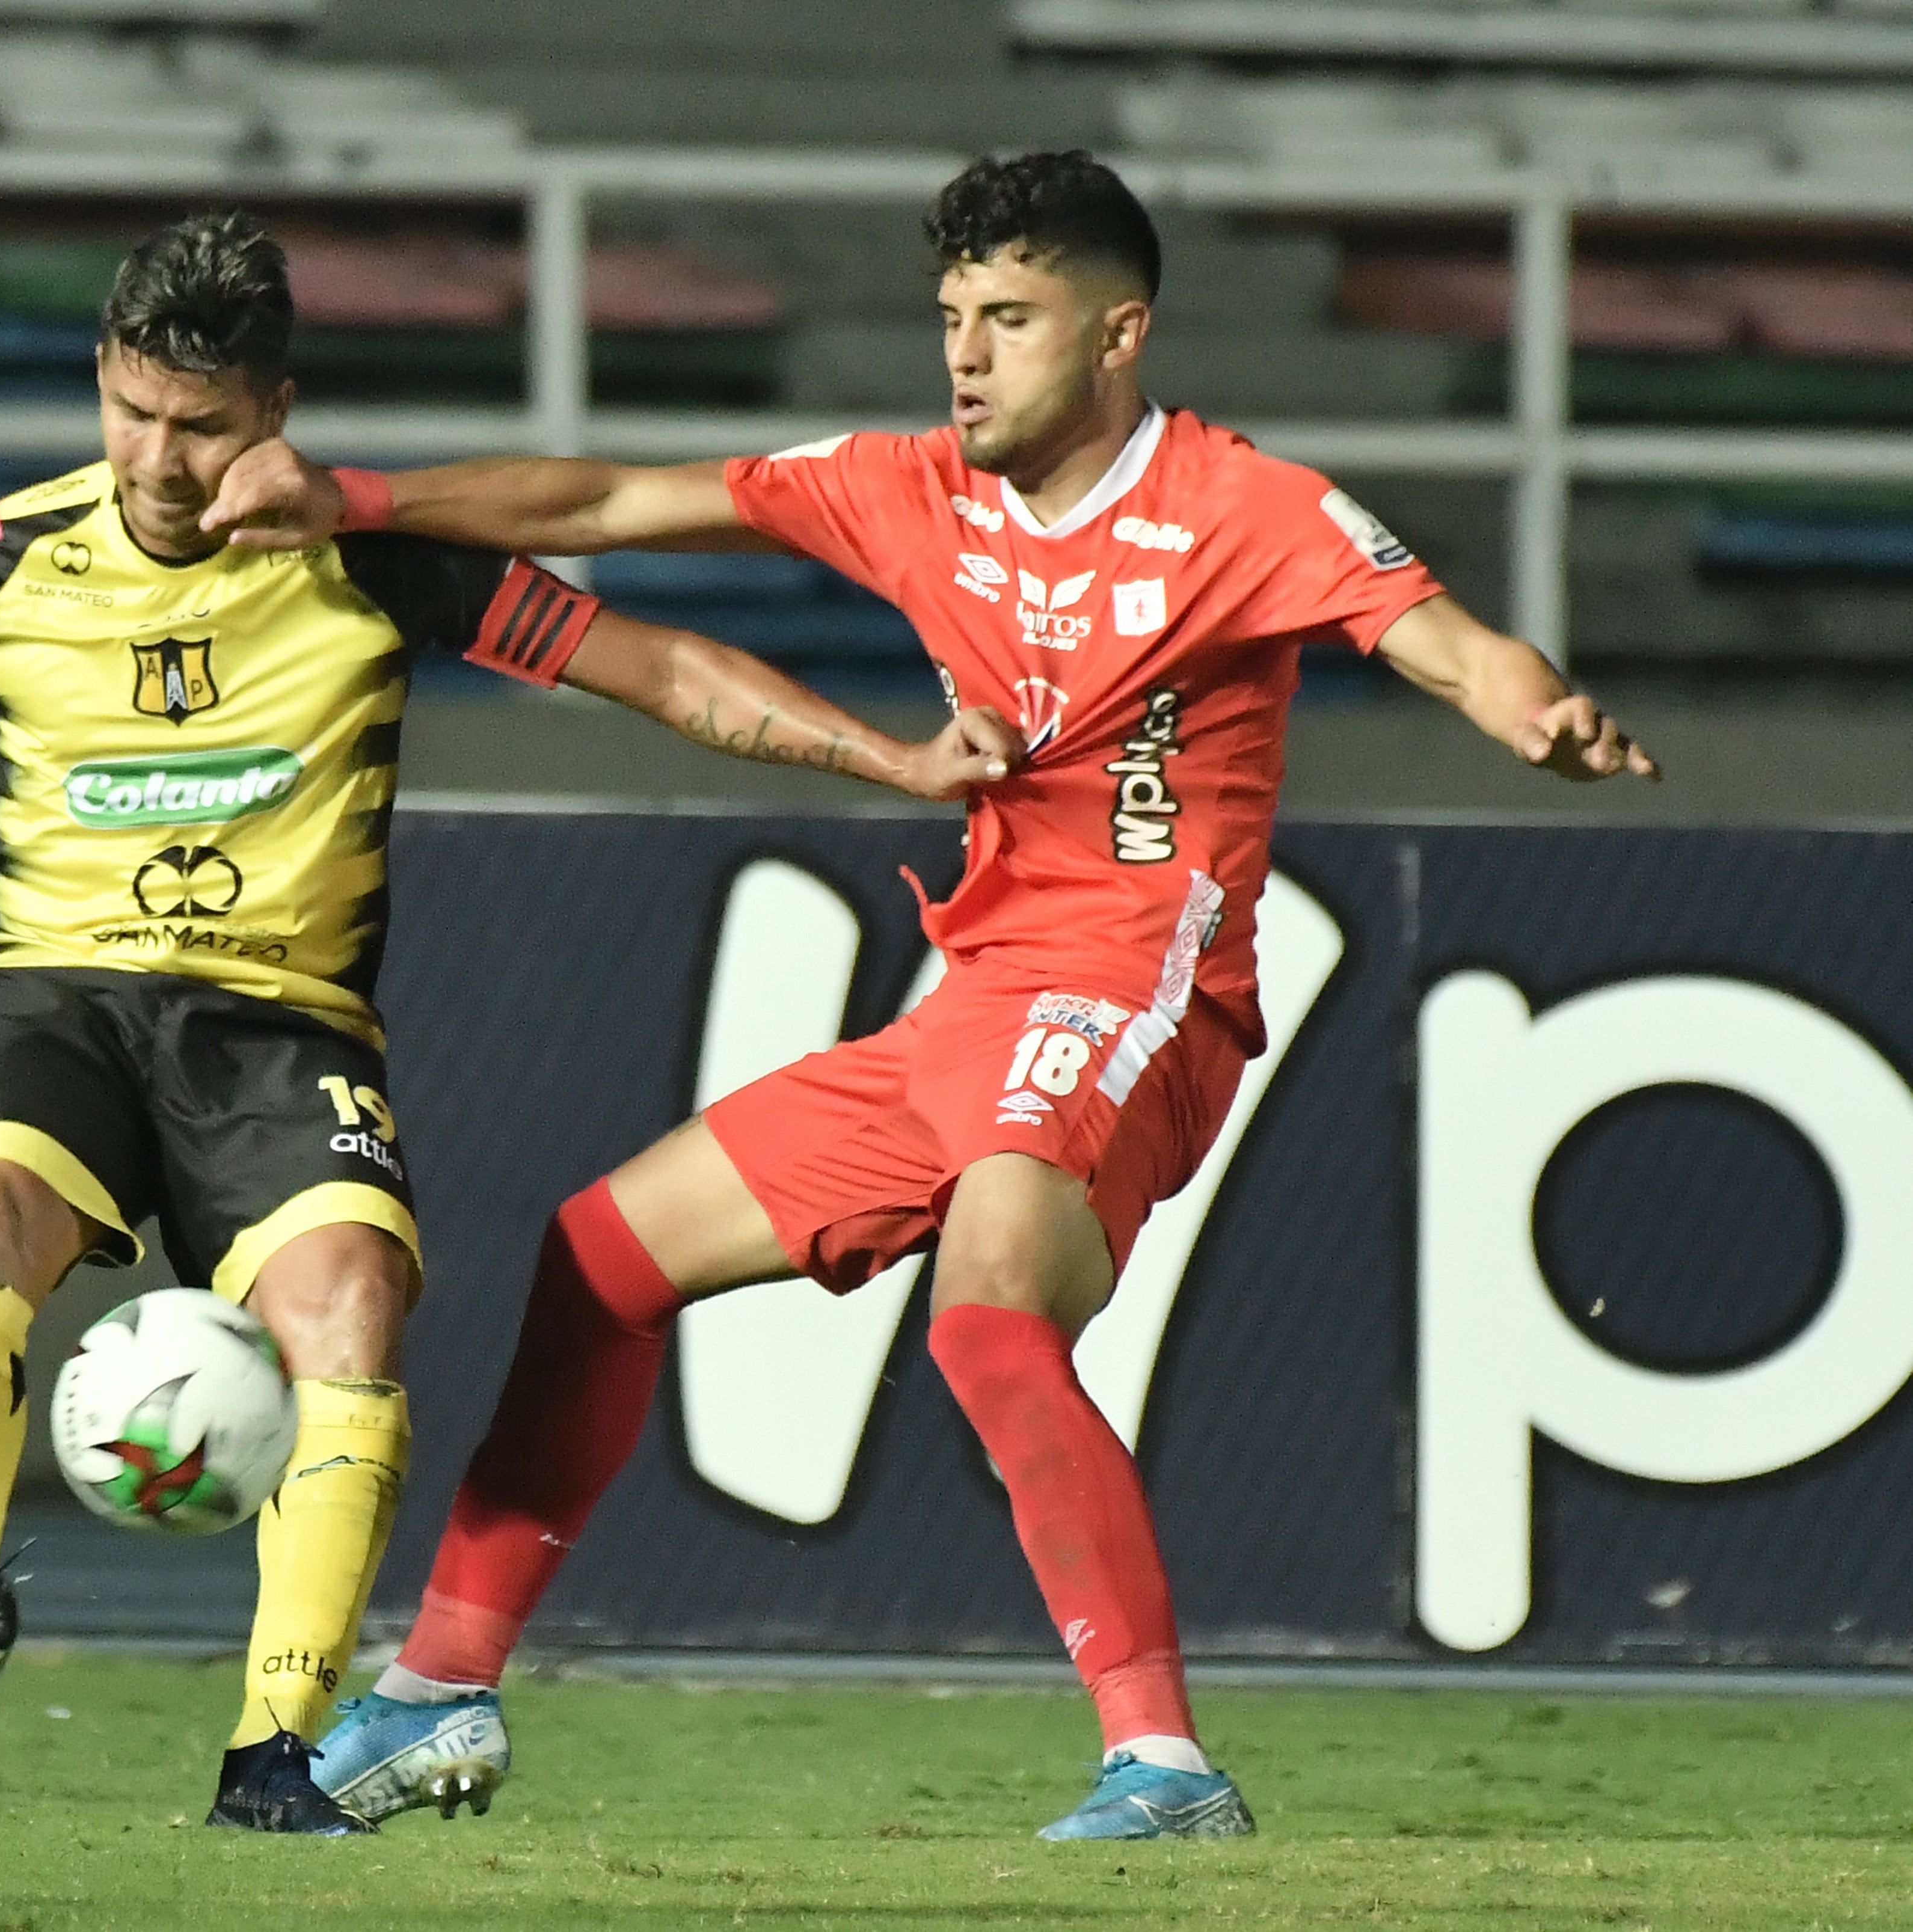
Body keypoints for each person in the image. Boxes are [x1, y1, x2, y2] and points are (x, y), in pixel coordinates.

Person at [201, 151, 1663, 1841]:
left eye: (1010, 319)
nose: (965, 355)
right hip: (967, 1006)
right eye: (953, 317)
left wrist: (1534, 711)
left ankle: (1162, 1764)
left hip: (1133, 993)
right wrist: (359, 503)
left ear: (1119, 335)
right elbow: (604, 505)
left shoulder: (1237, 507)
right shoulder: (905, 487)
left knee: (983, 1313)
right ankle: (438, 1696)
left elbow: (1438, 638)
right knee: (601, 1253)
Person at [0, 212, 1012, 1836]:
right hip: (57, 1002)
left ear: (276, 410)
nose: (163, 462)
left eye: (205, 427)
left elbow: (652, 668)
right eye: (134, 416)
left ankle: (270, 1758)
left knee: (354, 1312)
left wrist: (890, 760)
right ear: (99, 383)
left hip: (276, 1033)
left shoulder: (366, 553)